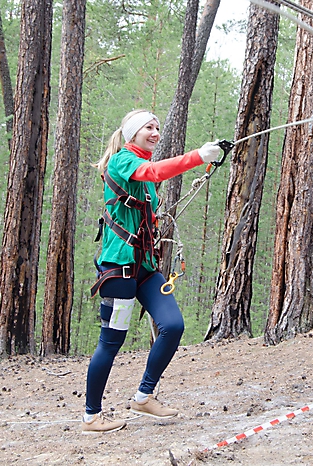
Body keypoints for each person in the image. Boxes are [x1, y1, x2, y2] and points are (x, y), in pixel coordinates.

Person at [81, 109, 222, 434]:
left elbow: (149, 188)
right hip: (118, 268)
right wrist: (197, 156)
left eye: (158, 127)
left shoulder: (138, 165)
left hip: (144, 267)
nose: (155, 132)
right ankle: (91, 416)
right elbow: (154, 172)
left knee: (172, 325)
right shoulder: (123, 160)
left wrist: (205, 159)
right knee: (111, 343)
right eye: (149, 127)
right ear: (132, 132)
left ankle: (144, 396)